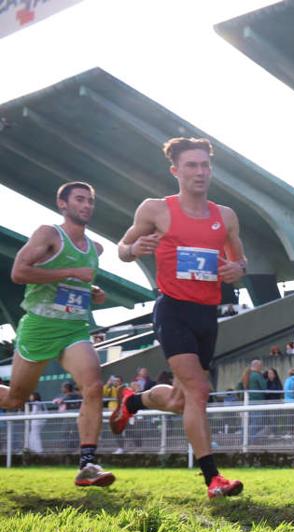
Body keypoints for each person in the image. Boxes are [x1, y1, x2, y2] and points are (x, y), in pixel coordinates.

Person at [109, 137, 245, 497]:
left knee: (180, 400)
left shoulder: (225, 216)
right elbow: (122, 248)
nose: (200, 172)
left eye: (205, 165)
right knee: (200, 392)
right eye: (192, 165)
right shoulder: (156, 210)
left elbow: (240, 261)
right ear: (176, 171)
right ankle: (213, 479)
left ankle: (132, 401)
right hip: (172, 309)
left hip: (207, 314)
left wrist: (235, 269)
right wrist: (134, 249)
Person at [0, 181, 115, 487]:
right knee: (14, 399)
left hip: (74, 328)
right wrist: (70, 273)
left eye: (90, 200)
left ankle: (88, 465)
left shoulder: (96, 248)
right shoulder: (49, 234)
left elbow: (72, 285)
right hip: (40, 325)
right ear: (62, 204)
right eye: (80, 199)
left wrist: (90, 290)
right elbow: (19, 272)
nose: (87, 205)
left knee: (92, 386)